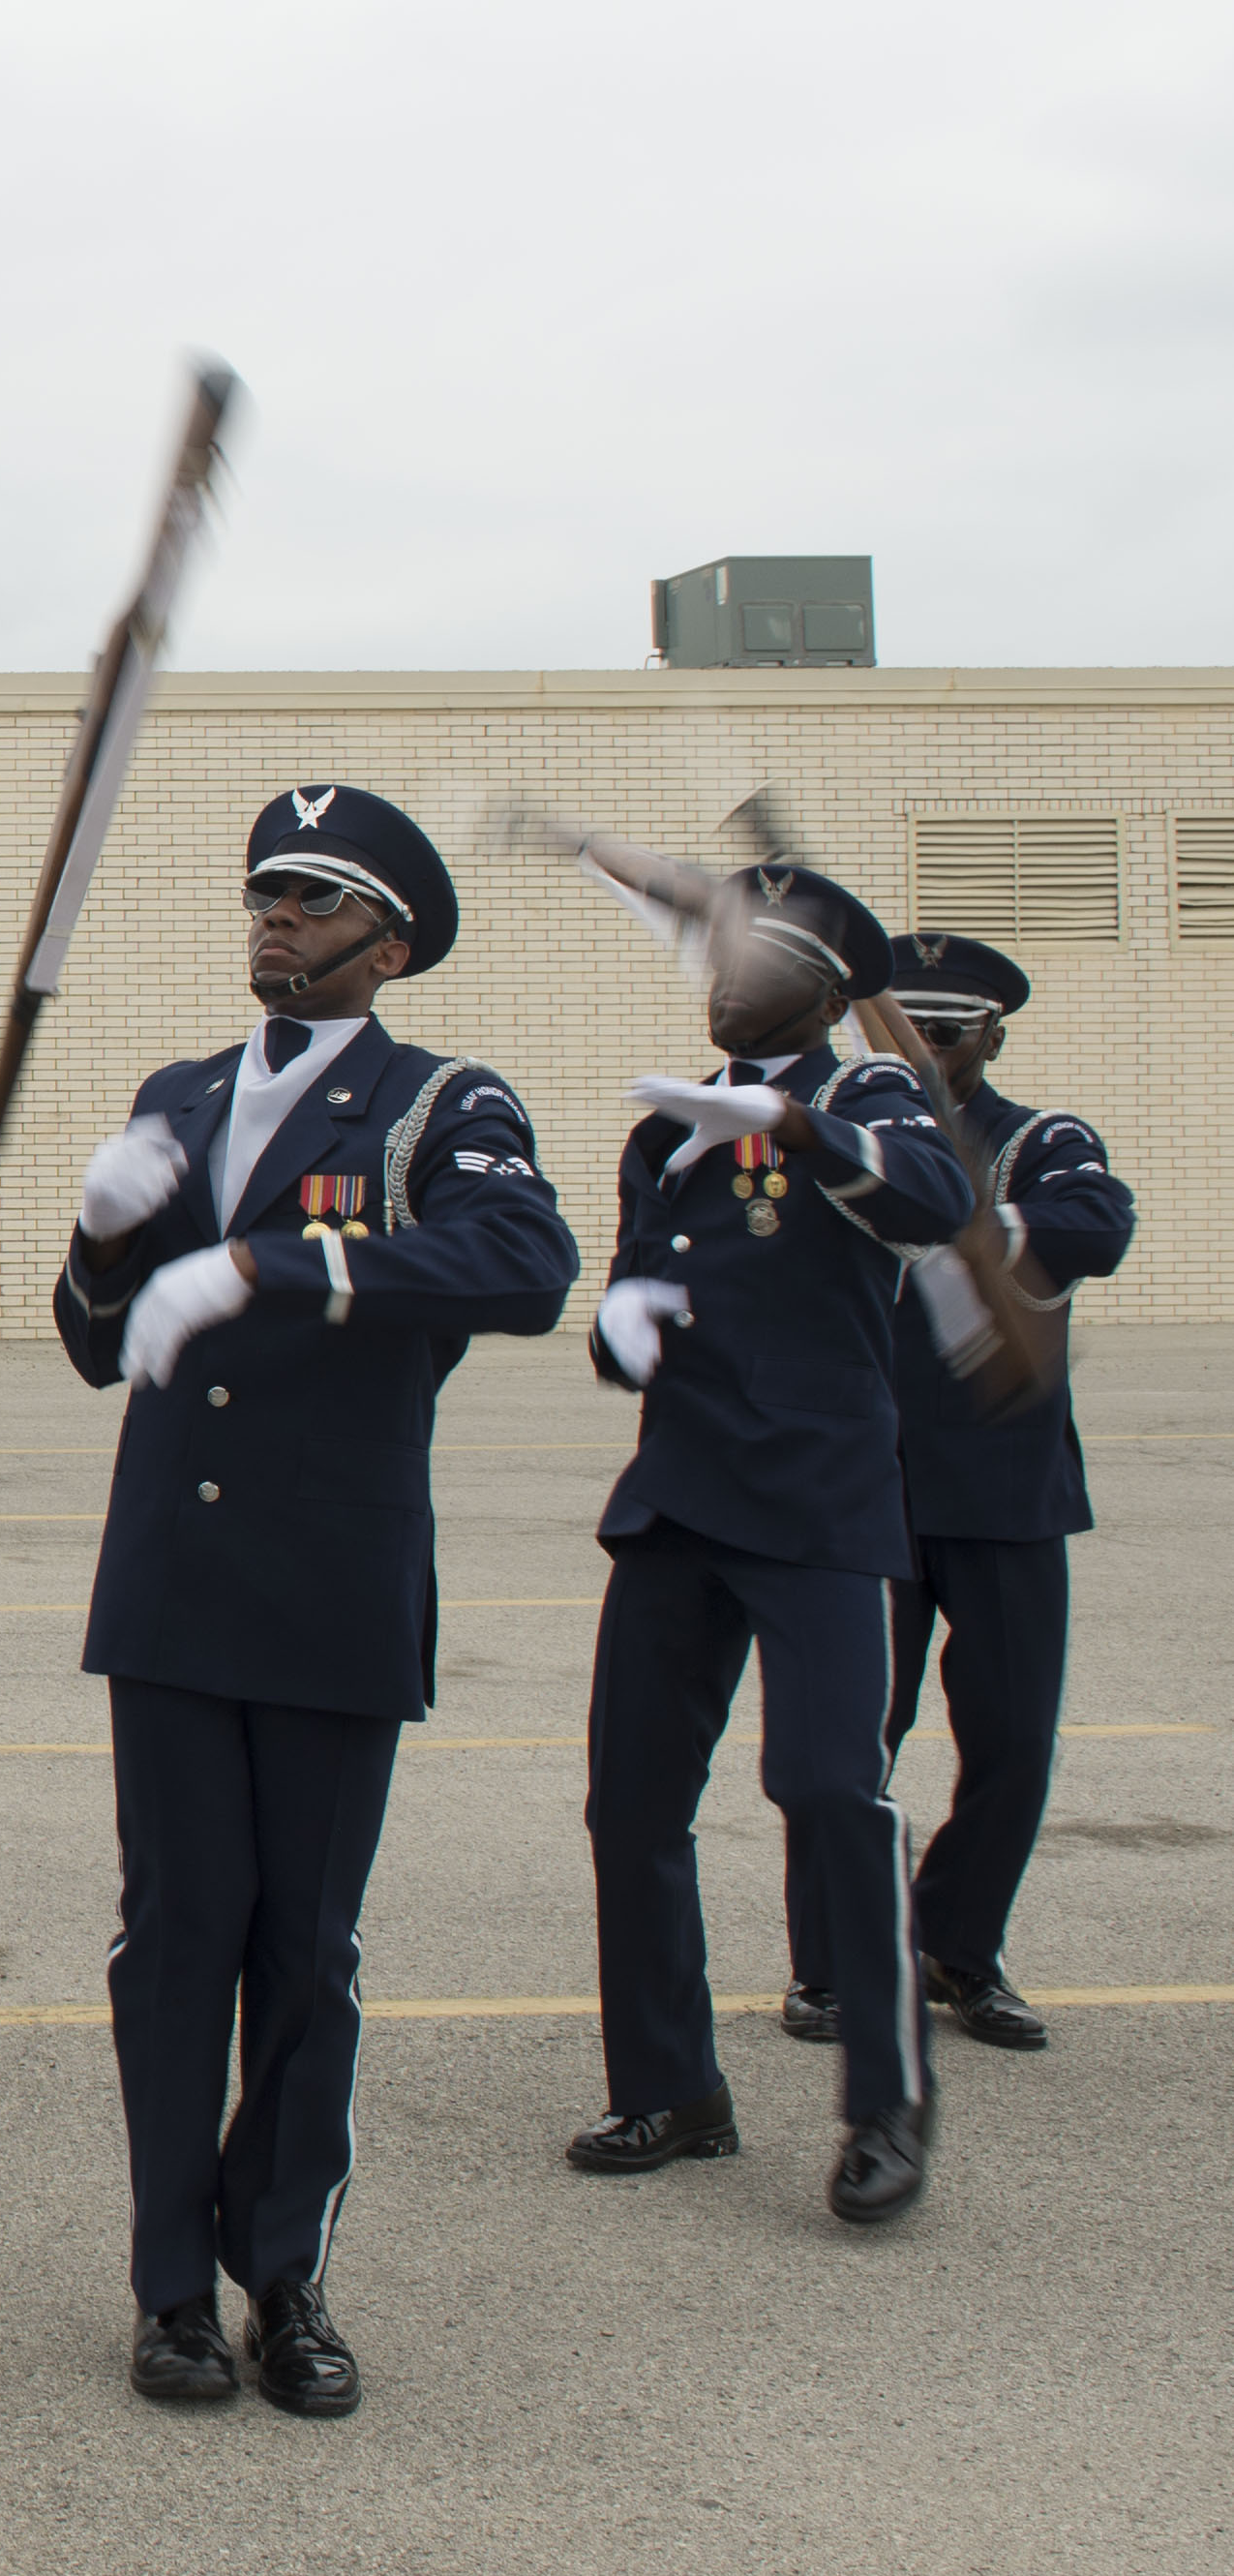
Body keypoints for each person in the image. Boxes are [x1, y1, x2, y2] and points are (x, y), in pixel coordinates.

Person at [55, 788, 577, 2416]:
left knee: (303, 1953)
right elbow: (98, 1343)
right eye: (263, 890)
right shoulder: (181, 1094)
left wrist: (290, 1265)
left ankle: (283, 2273)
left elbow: (525, 1264)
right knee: (173, 1942)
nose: (273, 918)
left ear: (388, 941)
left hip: (329, 1584)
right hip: (175, 1583)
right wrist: (95, 1241)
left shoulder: (433, 1106)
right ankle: (167, 2292)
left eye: (312, 897)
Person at [565, 861, 975, 2226]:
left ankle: (883, 2101)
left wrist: (794, 1125)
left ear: (818, 984)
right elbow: (636, 1281)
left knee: (825, 1789)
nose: (721, 981)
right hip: (677, 1497)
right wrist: (619, 1332)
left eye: (752, 962)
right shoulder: (665, 1134)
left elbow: (930, 1201)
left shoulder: (866, 1097)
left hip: (812, 1501)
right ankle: (671, 2086)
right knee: (629, 1805)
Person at [776, 931, 1134, 2050]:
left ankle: (954, 1946)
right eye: (907, 1026)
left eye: (948, 1030)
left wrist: (970, 1222)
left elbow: (1097, 1224)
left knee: (1013, 1739)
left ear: (991, 1034)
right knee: (848, 1747)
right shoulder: (845, 1130)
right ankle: (835, 1966)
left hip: (1003, 1489)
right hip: (862, 1485)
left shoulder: (1038, 1139)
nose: (925, 1049)